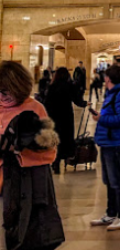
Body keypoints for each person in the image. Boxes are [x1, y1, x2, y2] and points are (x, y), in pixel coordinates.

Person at [0, 61, 64, 250]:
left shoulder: (35, 108)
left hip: (28, 186)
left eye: (6, 91)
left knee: (28, 234)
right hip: (3, 182)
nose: (2, 97)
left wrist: (22, 148)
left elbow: (50, 151)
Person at [90, 64, 120, 231]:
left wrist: (101, 119)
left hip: (115, 143)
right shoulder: (111, 93)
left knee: (117, 181)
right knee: (109, 180)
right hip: (107, 142)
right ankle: (111, 212)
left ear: (108, 78)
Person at [45, 66, 87, 173]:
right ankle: (66, 159)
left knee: (55, 139)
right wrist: (85, 104)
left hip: (54, 117)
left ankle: (55, 161)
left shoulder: (52, 86)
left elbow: (47, 103)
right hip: (66, 116)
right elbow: (76, 99)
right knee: (66, 138)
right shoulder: (68, 86)